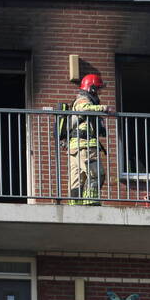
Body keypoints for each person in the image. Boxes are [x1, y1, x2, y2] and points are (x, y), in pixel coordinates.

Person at [67, 74, 111, 205]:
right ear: (91, 88)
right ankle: (91, 202)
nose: (99, 92)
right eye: (98, 88)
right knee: (96, 174)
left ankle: (75, 205)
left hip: (76, 146)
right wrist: (103, 108)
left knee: (78, 178)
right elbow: (83, 109)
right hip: (85, 145)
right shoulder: (83, 100)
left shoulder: (81, 99)